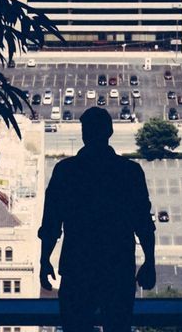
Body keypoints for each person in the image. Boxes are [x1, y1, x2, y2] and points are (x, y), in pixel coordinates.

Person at [39, 106, 156, 332]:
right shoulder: (129, 172)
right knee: (118, 325)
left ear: (84, 134)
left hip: (77, 267)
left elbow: (52, 224)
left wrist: (45, 259)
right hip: (117, 267)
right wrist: (149, 261)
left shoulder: (66, 171)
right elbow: (143, 223)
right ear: (109, 132)